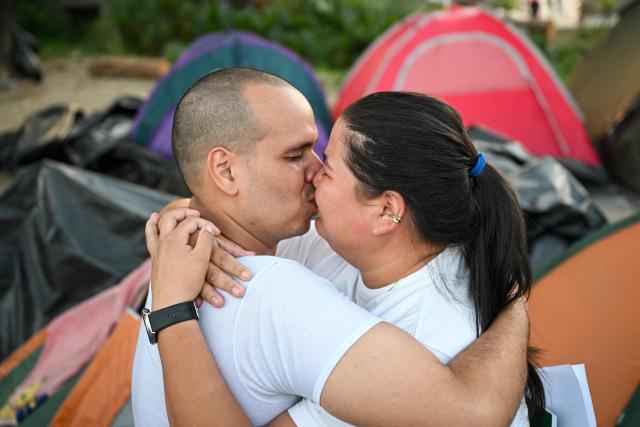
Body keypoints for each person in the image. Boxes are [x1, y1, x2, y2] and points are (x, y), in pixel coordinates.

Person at [132, 68, 536, 426]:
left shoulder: (193, 264)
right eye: (295, 155)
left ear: (387, 211)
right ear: (224, 170)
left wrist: (514, 301)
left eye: (321, 156)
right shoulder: (269, 277)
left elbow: (473, 415)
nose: (314, 172)